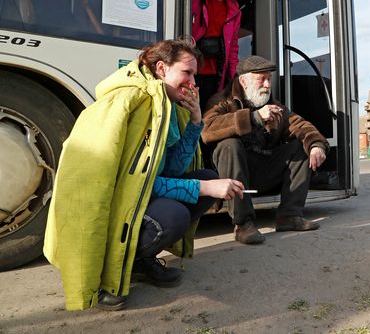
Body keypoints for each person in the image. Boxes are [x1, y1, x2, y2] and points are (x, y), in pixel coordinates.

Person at [43, 39, 246, 311]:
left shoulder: (169, 107)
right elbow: (135, 183)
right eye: (187, 73)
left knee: (207, 175)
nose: (193, 82)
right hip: (114, 207)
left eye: (194, 74)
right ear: (162, 68)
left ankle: (138, 261)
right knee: (178, 213)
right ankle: (105, 276)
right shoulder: (134, 103)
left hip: (135, 198)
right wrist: (204, 188)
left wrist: (196, 122)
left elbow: (170, 170)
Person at [201, 55, 329, 245]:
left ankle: (289, 216)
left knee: (301, 147)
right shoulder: (222, 102)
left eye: (269, 79)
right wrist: (254, 118)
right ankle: (243, 224)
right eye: (261, 79)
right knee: (230, 145)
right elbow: (207, 129)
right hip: (230, 175)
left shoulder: (275, 107)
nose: (267, 84)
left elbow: (301, 126)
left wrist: (316, 145)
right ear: (243, 81)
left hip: (260, 170)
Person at [192, 0, 248, 110]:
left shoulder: (234, 11)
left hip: (214, 73)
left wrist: (234, 77)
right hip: (191, 65)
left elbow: (233, 48)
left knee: (207, 113)